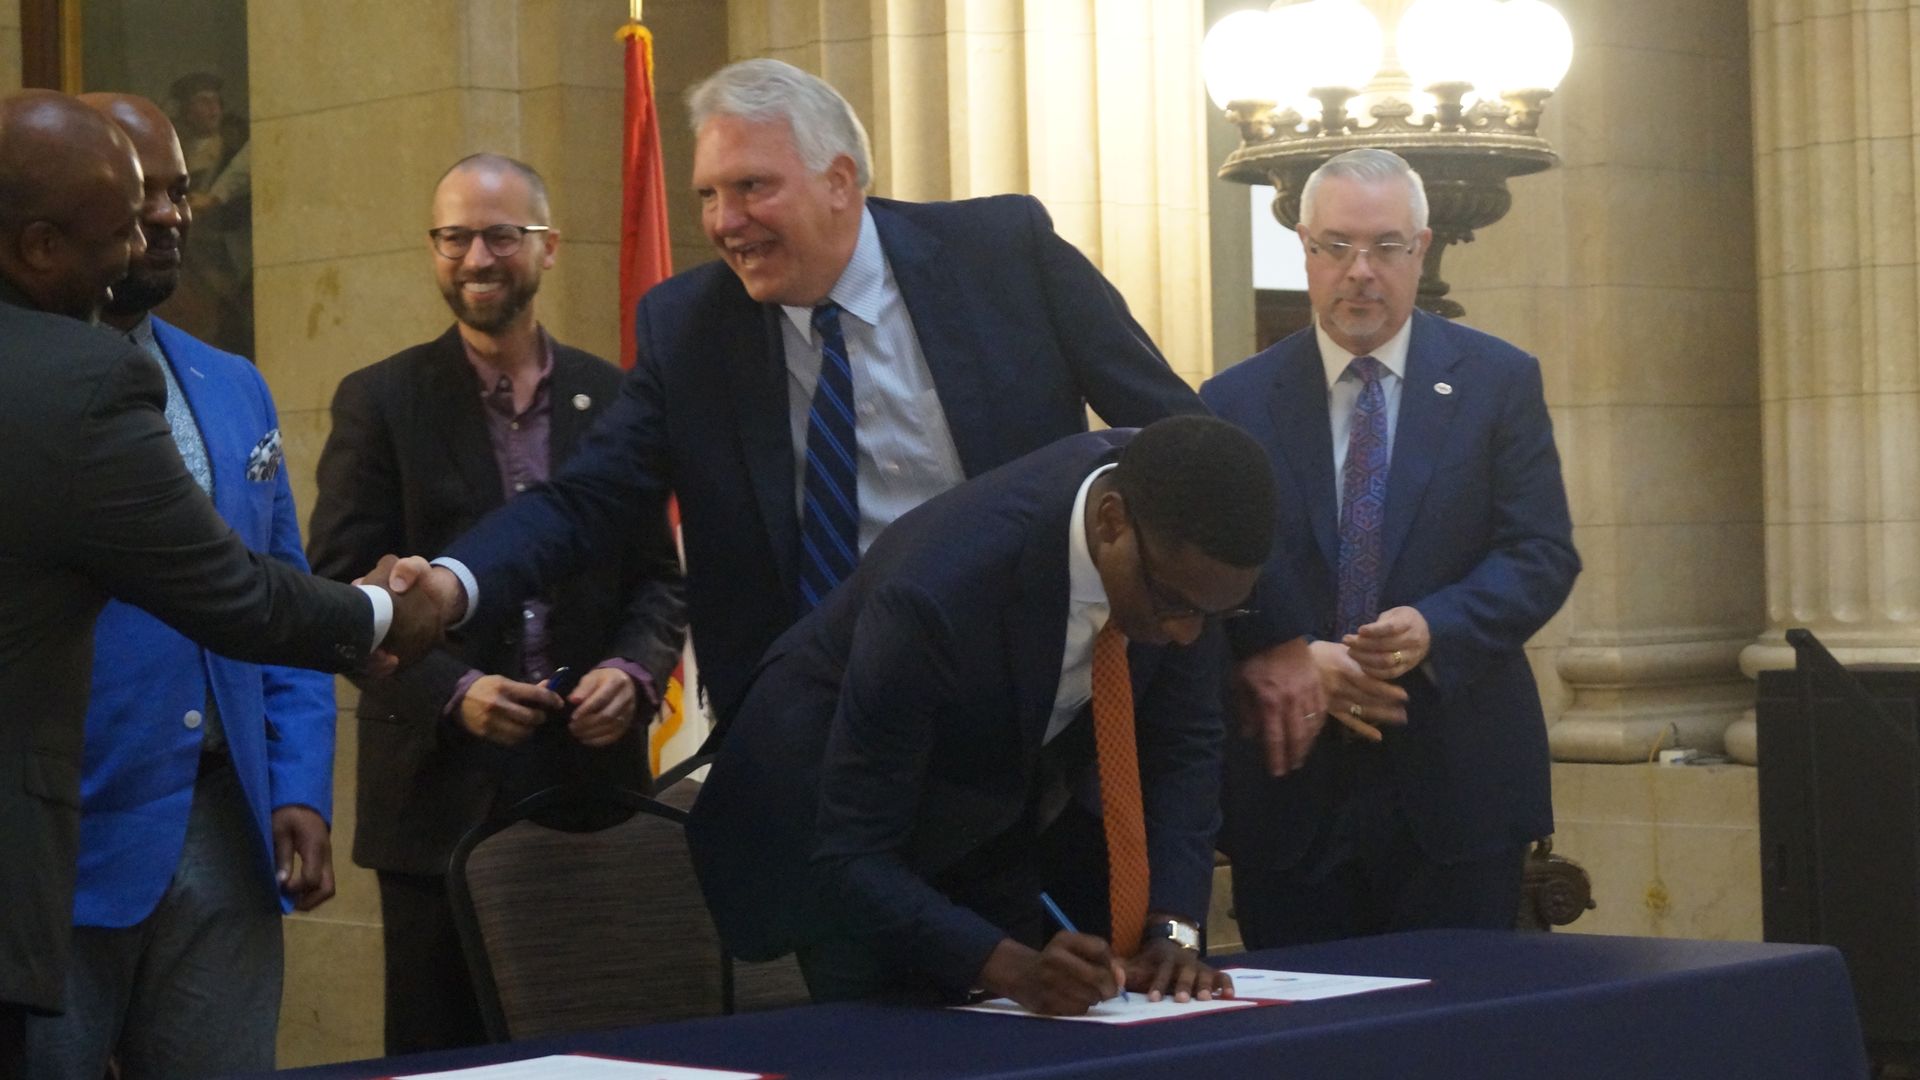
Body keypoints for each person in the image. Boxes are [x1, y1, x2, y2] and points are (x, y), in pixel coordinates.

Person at [397, 58, 1204, 742]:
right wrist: (452, 582)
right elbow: (588, 499)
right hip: (812, 729)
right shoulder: (689, 327)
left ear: (839, 181)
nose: (724, 223)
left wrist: (1250, 626)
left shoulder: (1002, 256)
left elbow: (1180, 438)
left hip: (1028, 706)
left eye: (751, 187)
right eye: (708, 195)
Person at [0, 90, 437, 1075]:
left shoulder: (228, 381)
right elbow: (236, 594)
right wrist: (389, 612)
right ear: (50, 233)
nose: (162, 220)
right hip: (66, 837)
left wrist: (296, 783)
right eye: (133, 204)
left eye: (179, 191)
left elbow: (278, 572)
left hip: (223, 831)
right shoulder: (69, 386)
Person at [686, 417, 1274, 1012]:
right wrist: (1012, 969)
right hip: (825, 831)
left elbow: (1185, 746)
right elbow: (853, 852)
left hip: (986, 811)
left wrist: (1174, 929)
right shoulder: (937, 593)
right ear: (1110, 522)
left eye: (1215, 615)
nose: (1187, 635)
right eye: (1174, 605)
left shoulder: (1177, 538)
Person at [305, 154, 686, 1055]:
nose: (476, 257)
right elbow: (341, 595)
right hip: (439, 804)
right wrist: (454, 689)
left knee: (601, 1051)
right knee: (446, 1058)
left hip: (593, 794)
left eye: (501, 236)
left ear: (548, 247)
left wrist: (633, 672)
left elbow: (660, 577)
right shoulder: (382, 401)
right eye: (454, 238)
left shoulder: (616, 397)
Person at [1202, 148, 1581, 947]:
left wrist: (1437, 627)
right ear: (1304, 248)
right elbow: (1204, 580)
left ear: (1422, 248)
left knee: (1461, 1018)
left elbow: (1541, 551)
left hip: (1458, 786)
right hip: (1291, 793)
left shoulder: (1497, 381)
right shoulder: (1233, 402)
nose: (1360, 271)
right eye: (1336, 246)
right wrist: (1288, 649)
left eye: (1386, 247)